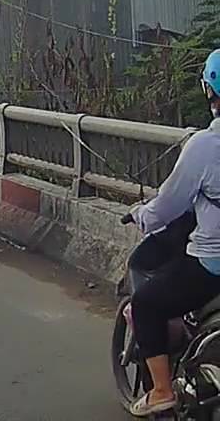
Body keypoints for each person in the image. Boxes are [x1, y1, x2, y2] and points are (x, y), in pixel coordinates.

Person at [122, 49, 220, 417]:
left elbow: (168, 205)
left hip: (212, 263)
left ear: (209, 91)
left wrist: (142, 216)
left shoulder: (204, 146)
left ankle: (162, 390)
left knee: (146, 303)